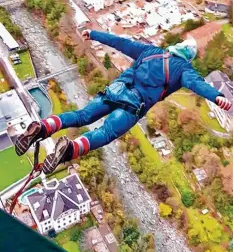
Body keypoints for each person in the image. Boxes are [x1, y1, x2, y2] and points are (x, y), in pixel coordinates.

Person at [15, 30, 232, 175]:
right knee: (104, 133)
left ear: (176, 47)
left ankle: (43, 127)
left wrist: (93, 34)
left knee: (82, 115)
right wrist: (217, 97)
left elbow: (121, 43)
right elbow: (198, 84)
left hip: (115, 89)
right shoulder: (183, 69)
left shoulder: (152, 51)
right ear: (188, 58)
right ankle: (70, 149)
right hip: (133, 105)